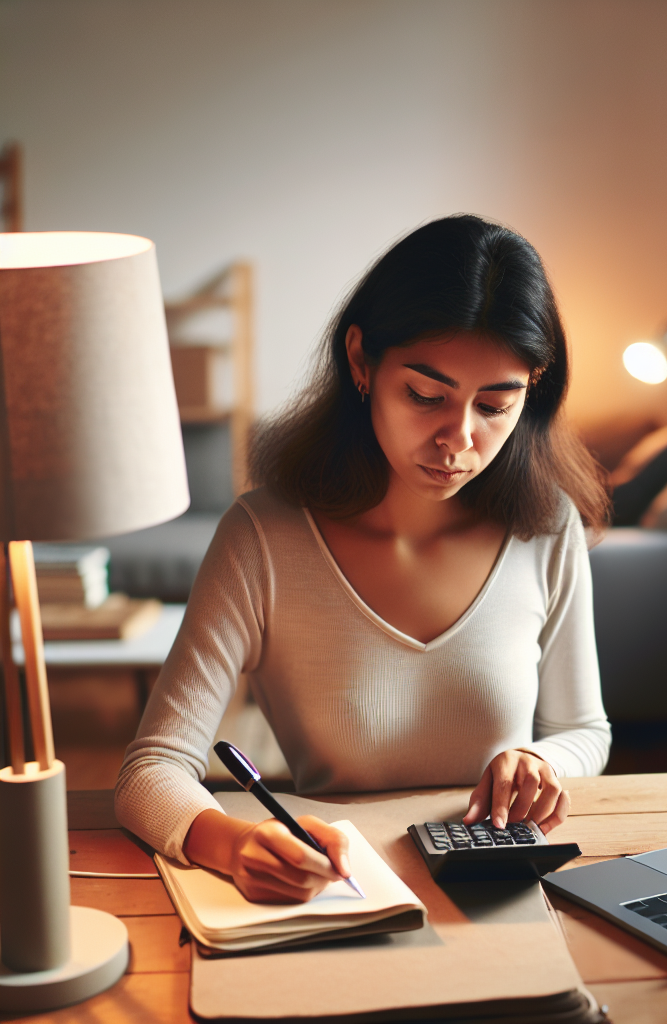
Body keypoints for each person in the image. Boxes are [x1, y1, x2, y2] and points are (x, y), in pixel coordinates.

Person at [115, 215, 612, 903]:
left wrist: (541, 760)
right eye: (426, 396)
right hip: (340, 895)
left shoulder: (545, 526)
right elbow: (152, 769)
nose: (458, 440)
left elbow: (584, 731)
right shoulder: (264, 538)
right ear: (360, 362)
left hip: (502, 893)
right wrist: (232, 842)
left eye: (496, 405)